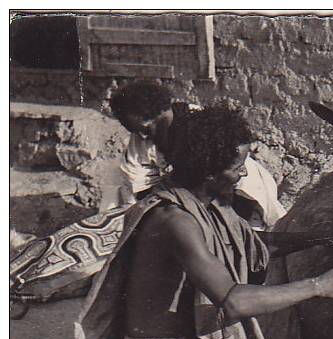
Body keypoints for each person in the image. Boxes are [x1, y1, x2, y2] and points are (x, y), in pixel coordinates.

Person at [62, 105, 333, 339]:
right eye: (236, 167)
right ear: (209, 171)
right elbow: (232, 300)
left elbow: (252, 245)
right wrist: (318, 286)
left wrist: (319, 238)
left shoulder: (205, 206)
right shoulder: (174, 220)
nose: (243, 172)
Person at [108, 80, 286, 231]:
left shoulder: (201, 127)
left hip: (233, 188)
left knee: (240, 228)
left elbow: (226, 178)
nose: (143, 136)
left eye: (146, 129)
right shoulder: (142, 137)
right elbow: (138, 180)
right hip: (191, 196)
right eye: (138, 131)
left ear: (155, 117)